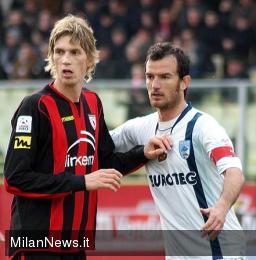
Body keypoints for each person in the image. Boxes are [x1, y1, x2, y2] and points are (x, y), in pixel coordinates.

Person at [3, 15, 169, 260]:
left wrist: (142, 154)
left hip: (75, 245)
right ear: (51, 57)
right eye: (59, 52)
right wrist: (81, 182)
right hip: (36, 245)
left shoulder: (93, 103)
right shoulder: (34, 107)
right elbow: (15, 179)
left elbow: (104, 165)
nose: (66, 60)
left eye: (75, 52)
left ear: (90, 60)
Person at [110, 42, 245, 259]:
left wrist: (221, 207)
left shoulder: (203, 126)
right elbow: (97, 147)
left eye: (164, 77)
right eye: (149, 76)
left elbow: (234, 171)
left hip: (221, 253)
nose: (154, 85)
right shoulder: (139, 128)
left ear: (184, 82)